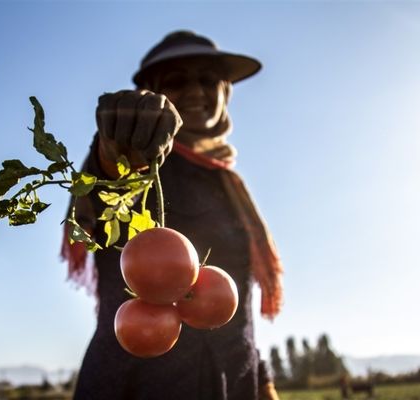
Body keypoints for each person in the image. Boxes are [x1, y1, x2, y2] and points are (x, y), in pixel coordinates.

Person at [61, 30, 283, 400]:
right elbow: (101, 195)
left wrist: (263, 381)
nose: (196, 91)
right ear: (154, 92)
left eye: (208, 80)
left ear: (225, 91)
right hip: (136, 384)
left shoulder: (227, 183)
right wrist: (118, 150)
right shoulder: (143, 164)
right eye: (177, 82)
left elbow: (236, 307)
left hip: (232, 383)